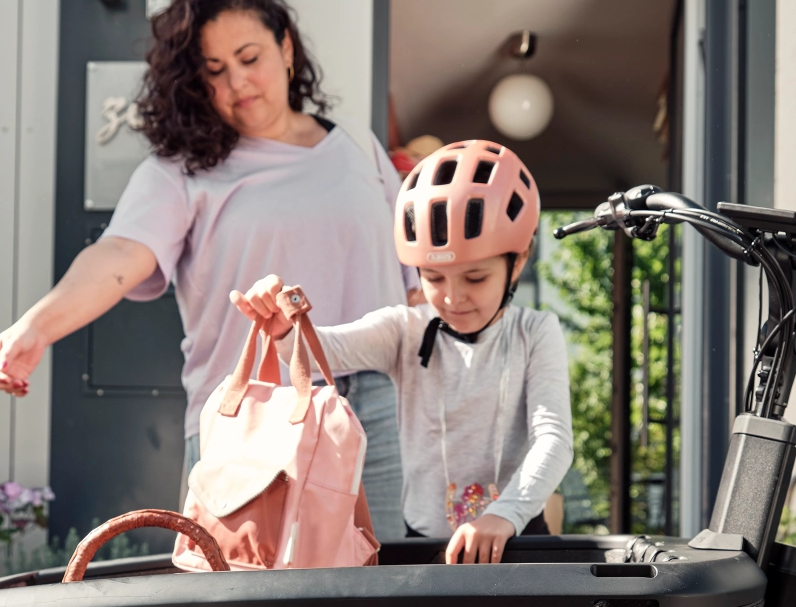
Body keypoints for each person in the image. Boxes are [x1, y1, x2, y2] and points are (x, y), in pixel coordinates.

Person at [0, 0, 414, 531]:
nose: (238, 84)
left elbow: (415, 280)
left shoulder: (357, 143)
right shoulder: (181, 172)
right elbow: (118, 256)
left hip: (377, 406)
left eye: (248, 57)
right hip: (254, 413)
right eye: (215, 71)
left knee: (385, 595)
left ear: (285, 47)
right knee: (254, 605)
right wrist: (38, 326)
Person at [231, 141, 572, 565]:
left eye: (476, 277)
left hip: (515, 537)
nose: (453, 297)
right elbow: (327, 349)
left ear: (518, 261)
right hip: (427, 547)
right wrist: (285, 325)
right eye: (433, 277)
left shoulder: (535, 332)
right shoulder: (406, 329)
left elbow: (554, 439)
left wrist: (504, 515)